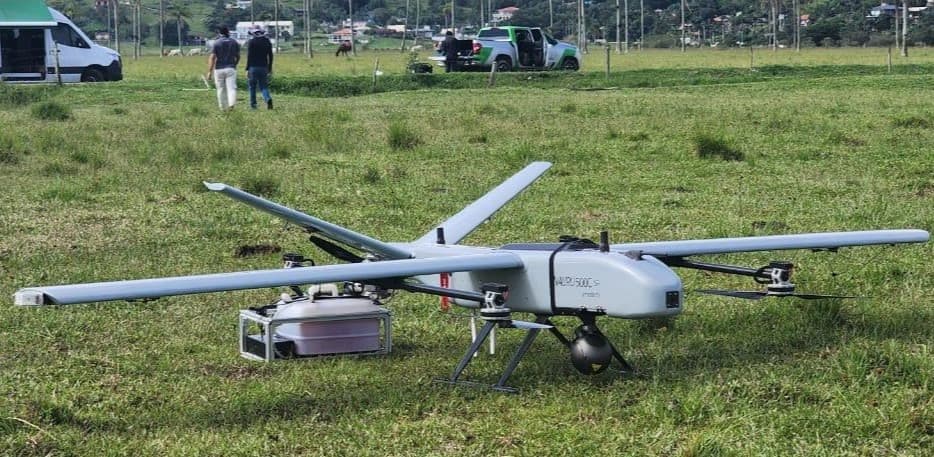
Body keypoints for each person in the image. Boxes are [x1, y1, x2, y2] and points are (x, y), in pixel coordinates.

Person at [205, 26, 240, 111]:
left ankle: (222, 108)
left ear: (219, 33)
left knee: (220, 89)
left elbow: (212, 57)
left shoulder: (216, 43)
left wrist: (210, 71)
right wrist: (234, 64)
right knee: (231, 88)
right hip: (231, 68)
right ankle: (231, 104)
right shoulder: (234, 42)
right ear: (228, 32)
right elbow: (238, 56)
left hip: (219, 69)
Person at [246, 25, 274, 110]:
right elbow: (271, 56)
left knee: (252, 87)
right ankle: (267, 98)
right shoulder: (267, 41)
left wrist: (247, 69)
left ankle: (253, 106)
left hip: (253, 67)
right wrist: (270, 68)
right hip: (264, 67)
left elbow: (249, 56)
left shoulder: (251, 42)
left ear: (253, 33)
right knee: (263, 86)